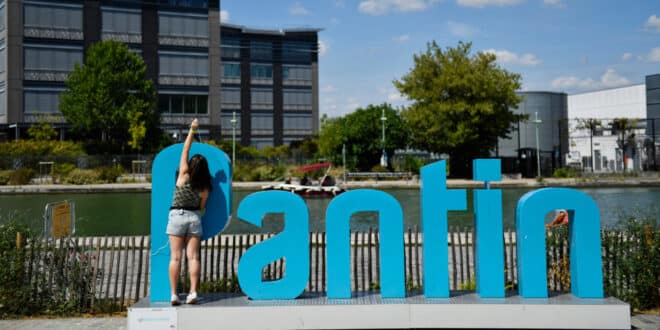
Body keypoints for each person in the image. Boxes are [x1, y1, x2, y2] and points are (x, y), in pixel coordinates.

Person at [167, 118, 212, 306]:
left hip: (177, 216)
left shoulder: (184, 174)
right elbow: (202, 208)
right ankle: (193, 292)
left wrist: (193, 129)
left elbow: (185, 149)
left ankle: (174, 295)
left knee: (175, 257)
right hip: (194, 218)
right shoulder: (205, 187)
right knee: (193, 257)